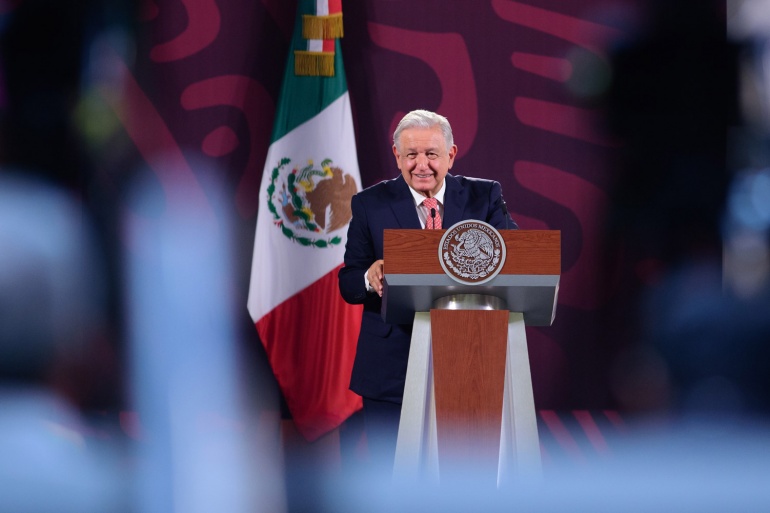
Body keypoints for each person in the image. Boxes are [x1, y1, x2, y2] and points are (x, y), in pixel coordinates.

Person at [338, 109, 517, 469]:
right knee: (391, 479)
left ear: (451, 154)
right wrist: (368, 277)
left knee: (463, 482)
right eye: (411, 155)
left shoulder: (484, 197)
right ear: (397, 156)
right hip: (391, 369)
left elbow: (514, 257)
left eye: (432, 154)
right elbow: (348, 281)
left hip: (469, 361)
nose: (422, 165)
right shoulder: (370, 204)